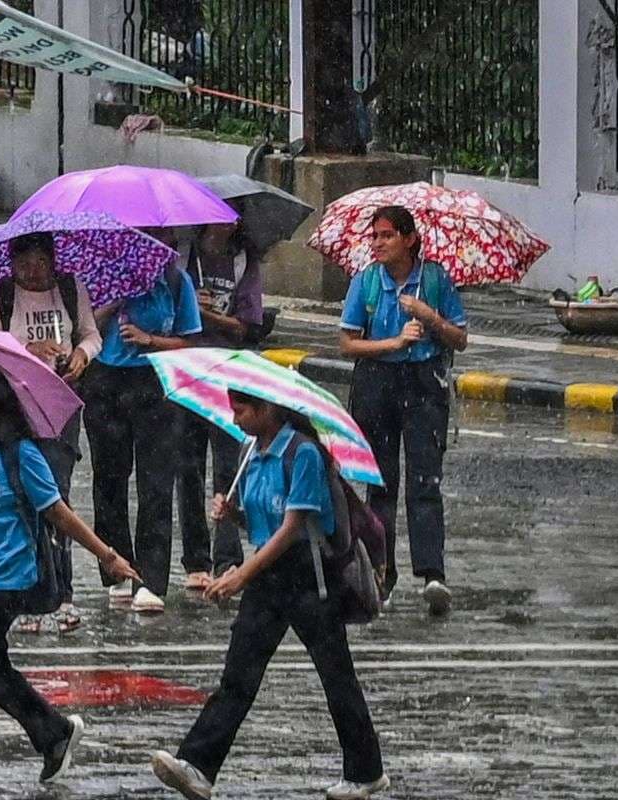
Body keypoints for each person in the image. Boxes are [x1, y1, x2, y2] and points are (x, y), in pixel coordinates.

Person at [0, 362, 138, 795]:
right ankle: (53, 734)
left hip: (2, 577)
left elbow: (57, 512)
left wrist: (106, 555)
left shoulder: (19, 454)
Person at [151, 391, 389, 800]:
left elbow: (293, 526)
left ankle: (366, 770)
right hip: (267, 576)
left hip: (309, 576)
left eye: (241, 410)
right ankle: (199, 765)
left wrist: (240, 576)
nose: (234, 419)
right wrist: (234, 514)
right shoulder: (252, 453)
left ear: (267, 409)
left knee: (336, 676)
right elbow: (263, 523)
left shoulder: (304, 453)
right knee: (238, 675)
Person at [338, 205, 467, 615]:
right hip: (377, 383)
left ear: (409, 239)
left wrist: (430, 318)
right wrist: (393, 343)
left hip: (425, 385)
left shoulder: (435, 279)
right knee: (380, 484)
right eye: (374, 236)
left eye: (387, 235)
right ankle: (382, 575)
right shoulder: (366, 282)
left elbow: (460, 338)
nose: (378, 243)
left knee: (425, 480)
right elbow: (348, 343)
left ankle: (432, 574)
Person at [0, 232, 102, 634]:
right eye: (24, 265)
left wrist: (81, 355)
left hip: (61, 405)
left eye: (40, 263)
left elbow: (91, 335)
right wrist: (27, 351)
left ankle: (62, 594)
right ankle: (27, 594)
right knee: (20, 499)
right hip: (16, 410)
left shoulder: (70, 289)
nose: (33, 272)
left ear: (53, 261)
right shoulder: (1, 296)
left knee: (56, 497)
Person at [84, 228, 201, 613]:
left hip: (155, 383)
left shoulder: (175, 281)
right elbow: (83, 329)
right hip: (105, 382)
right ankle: (116, 568)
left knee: (156, 483)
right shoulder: (101, 274)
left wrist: (151, 340)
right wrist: (115, 299)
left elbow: (189, 341)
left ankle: (151, 579)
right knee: (109, 479)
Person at [177, 223, 268, 590]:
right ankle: (195, 559)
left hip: (230, 373)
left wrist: (208, 315)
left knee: (229, 467)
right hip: (189, 371)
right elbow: (171, 314)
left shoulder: (244, 261)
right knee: (188, 468)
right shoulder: (184, 256)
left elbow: (247, 325)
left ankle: (227, 557)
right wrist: (189, 303)